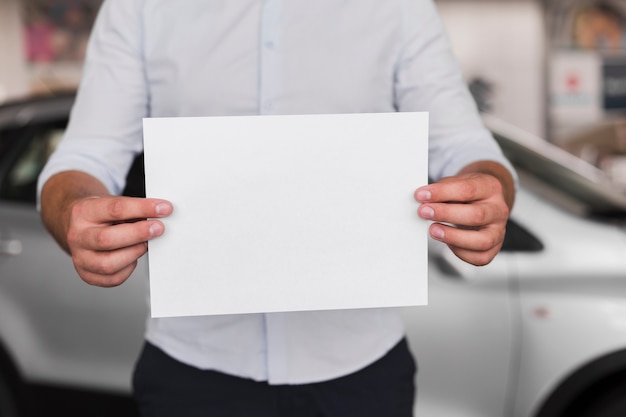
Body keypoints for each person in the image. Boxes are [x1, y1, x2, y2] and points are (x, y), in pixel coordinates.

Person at [37, 0, 516, 416]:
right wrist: (75, 210)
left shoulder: (398, 6)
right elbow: (84, 157)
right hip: (192, 374)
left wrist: (489, 190)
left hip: (364, 374)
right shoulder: (139, 7)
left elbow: (465, 147)